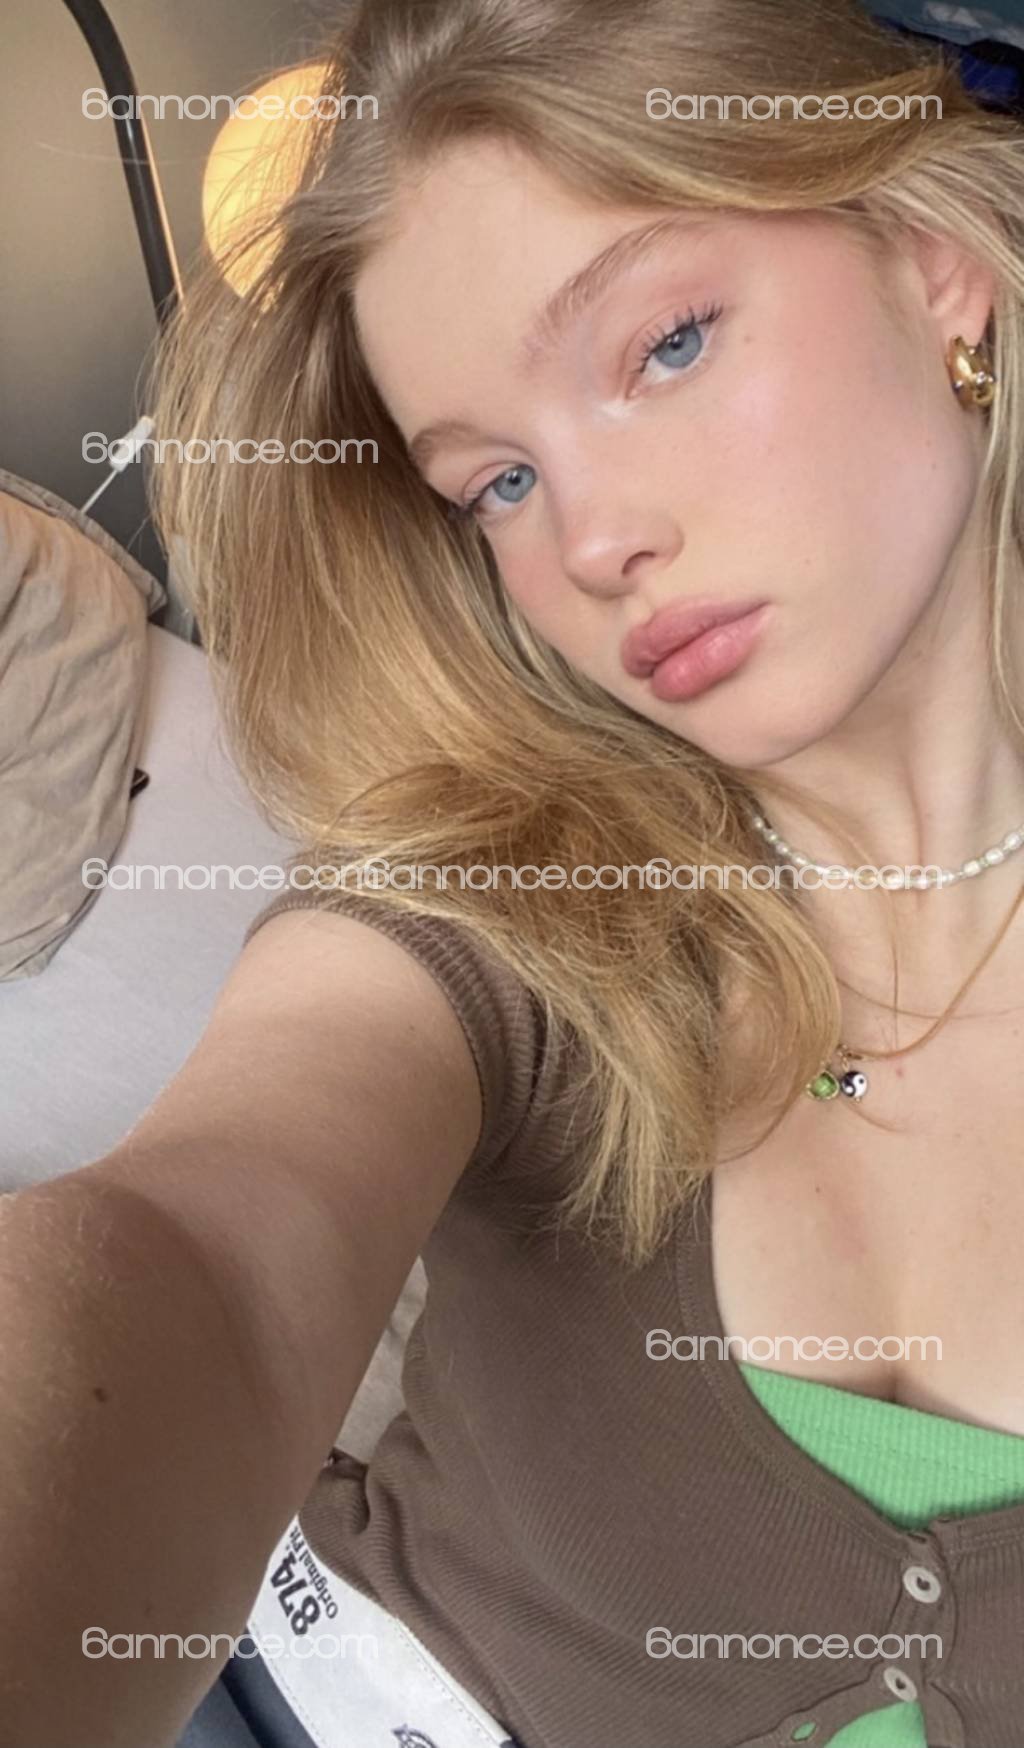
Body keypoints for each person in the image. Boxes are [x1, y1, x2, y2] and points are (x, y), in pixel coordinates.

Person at [3, 0, 1024, 1744]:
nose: (595, 539)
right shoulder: (510, 902)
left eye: (667, 346)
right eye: (496, 483)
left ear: (937, 264)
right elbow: (201, 1259)